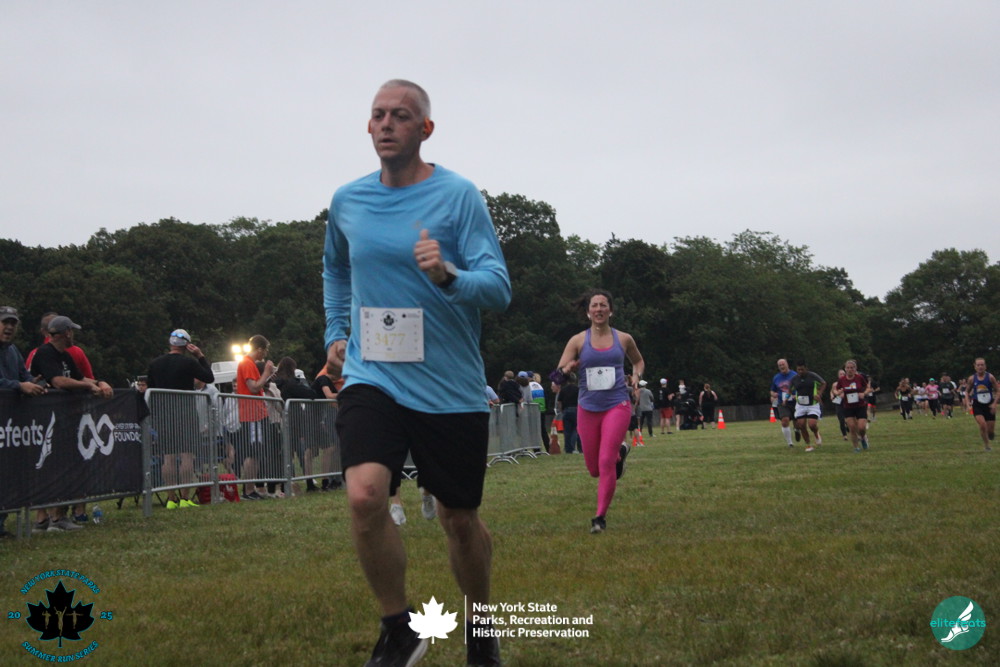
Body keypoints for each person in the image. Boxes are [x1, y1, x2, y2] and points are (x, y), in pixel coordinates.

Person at [323, 79, 510, 666]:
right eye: (378, 115)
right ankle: (398, 629)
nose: (386, 124)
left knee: (459, 519)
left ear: (425, 129)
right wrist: (335, 331)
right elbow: (335, 269)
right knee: (364, 495)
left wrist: (449, 276)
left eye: (400, 116)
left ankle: (480, 624)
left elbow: (498, 288)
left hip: (447, 386)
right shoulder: (348, 200)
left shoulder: (458, 196)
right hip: (372, 375)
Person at [556, 289, 645, 535]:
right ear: (588, 312)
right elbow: (556, 378)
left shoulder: (623, 338)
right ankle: (620, 454)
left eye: (603, 305)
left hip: (617, 404)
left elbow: (638, 361)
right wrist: (567, 370)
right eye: (594, 305)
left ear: (610, 310)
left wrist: (636, 377)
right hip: (587, 407)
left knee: (605, 462)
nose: (599, 309)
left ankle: (599, 517)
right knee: (594, 469)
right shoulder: (577, 341)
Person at [29, 315, 114, 532]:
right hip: (45, 420)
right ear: (66, 332)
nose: (73, 335)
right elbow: (58, 381)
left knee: (63, 467)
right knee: (50, 469)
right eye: (72, 331)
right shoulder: (45, 353)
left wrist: (100, 382)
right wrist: (88, 387)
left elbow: (80, 377)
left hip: (63, 420)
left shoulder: (65, 355)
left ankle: (56, 517)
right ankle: (51, 519)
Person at [146, 329, 215, 509]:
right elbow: (209, 377)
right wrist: (200, 356)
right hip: (185, 412)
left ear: (170, 343)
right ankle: (184, 497)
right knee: (187, 455)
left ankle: (171, 498)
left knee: (168, 456)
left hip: (163, 413)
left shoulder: (155, 364)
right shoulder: (189, 363)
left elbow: (150, 388)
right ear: (187, 345)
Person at [0, 306, 47, 538]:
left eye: (13, 323)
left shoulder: (13, 351)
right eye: (5, 322)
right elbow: (12, 382)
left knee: (7, 475)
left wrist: (35, 383)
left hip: (9, 427)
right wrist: (20, 386)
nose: (9, 327)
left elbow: (23, 375)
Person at [235, 334, 276, 500]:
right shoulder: (247, 363)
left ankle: (251, 489)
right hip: (252, 415)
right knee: (253, 453)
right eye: (265, 350)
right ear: (259, 349)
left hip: (255, 414)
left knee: (256, 453)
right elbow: (253, 387)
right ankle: (248, 490)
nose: (265, 354)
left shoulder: (248, 363)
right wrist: (266, 373)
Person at [831, 360, 870, 452]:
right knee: (852, 427)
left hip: (860, 406)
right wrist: (838, 393)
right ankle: (856, 447)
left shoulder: (859, 378)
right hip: (848, 407)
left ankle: (863, 438)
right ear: (845, 369)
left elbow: (868, 388)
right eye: (848, 368)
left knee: (861, 428)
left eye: (852, 368)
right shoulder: (842, 380)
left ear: (855, 369)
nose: (850, 370)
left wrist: (864, 393)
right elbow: (835, 390)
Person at [964, 358, 999, 451]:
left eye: (982, 365)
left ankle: (991, 434)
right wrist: (968, 403)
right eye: (978, 365)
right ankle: (987, 446)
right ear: (975, 367)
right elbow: (966, 391)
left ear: (985, 366)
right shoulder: (972, 379)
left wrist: (994, 403)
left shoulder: (990, 377)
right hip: (977, 404)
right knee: (983, 425)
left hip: (989, 405)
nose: (980, 367)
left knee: (990, 431)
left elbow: (998, 391)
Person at [790, 362, 826, 451]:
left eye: (802, 369)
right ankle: (808, 445)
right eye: (798, 370)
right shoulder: (794, 379)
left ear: (806, 368)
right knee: (801, 425)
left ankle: (816, 433)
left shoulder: (812, 376)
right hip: (801, 405)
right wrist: (792, 395)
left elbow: (823, 383)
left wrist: (819, 394)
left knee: (812, 425)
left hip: (812, 404)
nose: (800, 371)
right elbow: (789, 389)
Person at [770, 359, 798, 447]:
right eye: (780, 365)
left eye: (783, 364)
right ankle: (790, 443)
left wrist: (796, 395)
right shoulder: (776, 377)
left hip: (795, 402)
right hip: (782, 403)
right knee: (784, 421)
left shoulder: (795, 375)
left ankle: (797, 430)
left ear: (787, 364)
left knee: (798, 423)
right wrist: (773, 394)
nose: (782, 366)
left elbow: (801, 387)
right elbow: (772, 390)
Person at [555, 372, 580, 453]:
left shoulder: (563, 389)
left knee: (567, 431)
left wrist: (561, 410)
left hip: (566, 410)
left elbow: (559, 402)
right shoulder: (578, 389)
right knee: (575, 430)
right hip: (576, 410)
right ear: (575, 380)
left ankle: (567, 448)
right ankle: (572, 448)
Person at [829, 369, 850, 441]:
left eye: (843, 374)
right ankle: (845, 435)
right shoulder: (835, 384)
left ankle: (849, 427)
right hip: (838, 402)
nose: (842, 375)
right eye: (841, 374)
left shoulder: (848, 382)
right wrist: (832, 395)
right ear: (838, 376)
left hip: (847, 402)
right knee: (841, 419)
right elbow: (833, 391)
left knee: (848, 419)